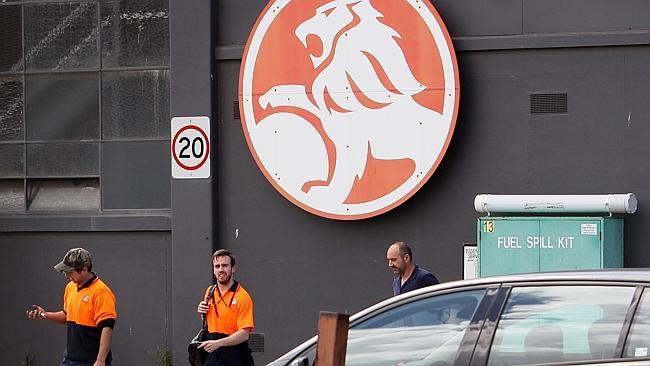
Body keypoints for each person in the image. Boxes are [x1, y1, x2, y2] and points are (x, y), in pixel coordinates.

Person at [26, 247, 117, 366]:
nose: (66, 275)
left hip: (91, 361)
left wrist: (100, 360)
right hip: (69, 359)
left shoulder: (101, 292)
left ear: (84, 269)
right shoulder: (70, 288)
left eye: (70, 271)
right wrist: (45, 315)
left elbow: (107, 327)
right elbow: (66, 316)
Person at [197, 249, 255, 366]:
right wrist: (202, 312)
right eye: (217, 266)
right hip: (213, 358)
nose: (221, 269)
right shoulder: (210, 291)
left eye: (224, 265)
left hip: (237, 358)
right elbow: (212, 323)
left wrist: (218, 343)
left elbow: (244, 334)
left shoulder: (243, 297)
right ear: (213, 269)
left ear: (233, 268)